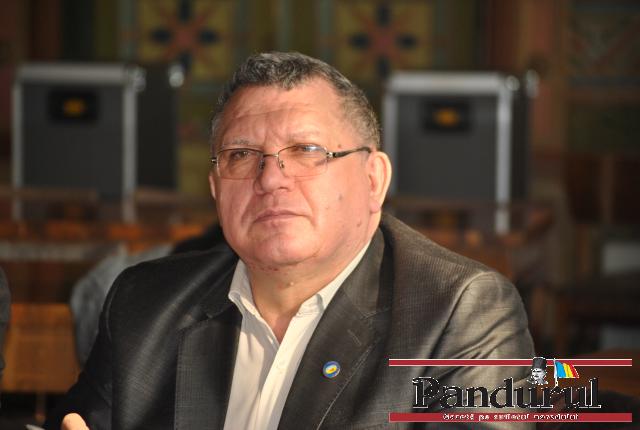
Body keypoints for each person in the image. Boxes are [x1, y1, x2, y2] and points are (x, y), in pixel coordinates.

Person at [46, 52, 534, 429]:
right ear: (215, 189)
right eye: (242, 154)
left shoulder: (461, 314)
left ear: (373, 180)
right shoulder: (145, 304)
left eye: (306, 150)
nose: (271, 178)